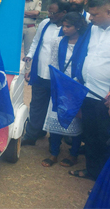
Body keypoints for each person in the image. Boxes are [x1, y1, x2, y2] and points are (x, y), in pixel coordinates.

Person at [69, 0, 110, 180]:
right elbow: (87, 55)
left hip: (106, 99)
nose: (90, 18)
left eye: (95, 14)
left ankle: (103, 184)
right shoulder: (93, 29)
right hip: (88, 92)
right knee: (91, 136)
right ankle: (92, 172)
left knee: (105, 140)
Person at [41, 12, 87, 168]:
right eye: (63, 25)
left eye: (68, 26)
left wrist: (75, 85)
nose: (64, 29)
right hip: (60, 88)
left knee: (75, 121)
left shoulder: (85, 43)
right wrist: (58, 86)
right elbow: (53, 65)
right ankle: (54, 152)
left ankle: (73, 154)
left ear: (78, 27)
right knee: (56, 118)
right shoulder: (58, 42)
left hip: (77, 88)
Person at [22, 0, 69, 146]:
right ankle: (32, 135)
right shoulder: (44, 24)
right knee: (36, 104)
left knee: (57, 107)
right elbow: (36, 42)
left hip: (58, 77)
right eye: (48, 12)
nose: (49, 15)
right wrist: (29, 56)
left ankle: (57, 140)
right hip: (41, 72)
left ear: (64, 13)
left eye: (53, 12)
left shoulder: (69, 28)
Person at [23, 0, 41, 73]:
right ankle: (16, 70)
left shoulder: (37, 2)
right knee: (15, 49)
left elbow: (36, 13)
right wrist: (30, 13)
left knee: (28, 51)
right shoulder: (19, 0)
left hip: (30, 28)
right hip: (19, 29)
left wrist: (22, 12)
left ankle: (27, 71)